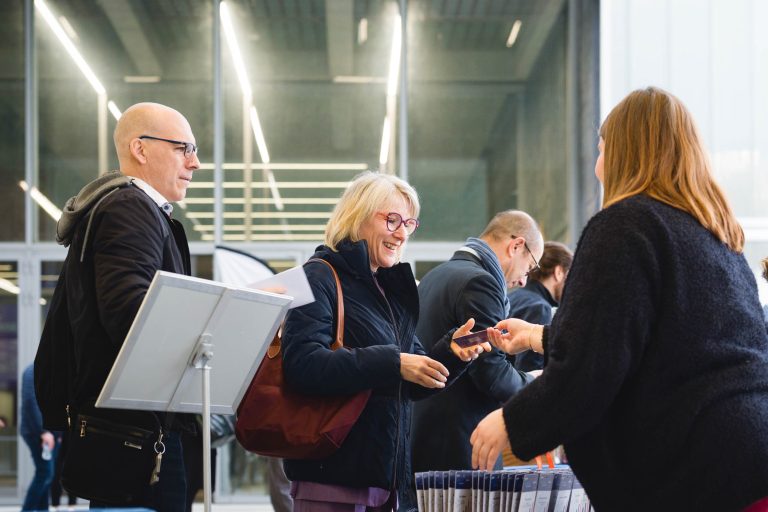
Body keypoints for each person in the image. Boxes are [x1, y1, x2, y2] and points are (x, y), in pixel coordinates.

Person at [470, 87, 768, 511]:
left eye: (601, 148)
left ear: (625, 152)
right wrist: (537, 337)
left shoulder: (625, 227)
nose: (597, 166)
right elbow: (658, 342)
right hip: (746, 458)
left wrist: (511, 423)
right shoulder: (720, 240)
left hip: (689, 474)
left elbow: (596, 362)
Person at [280, 171, 491, 511]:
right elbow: (302, 364)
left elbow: (414, 382)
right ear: (357, 217)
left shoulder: (389, 290)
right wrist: (394, 362)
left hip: (389, 483)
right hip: (333, 480)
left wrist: (452, 353)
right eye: (392, 220)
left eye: (409, 223)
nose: (402, 233)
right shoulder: (317, 274)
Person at [42, 102, 200, 511]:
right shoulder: (130, 208)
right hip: (135, 441)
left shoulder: (128, 210)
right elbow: (131, 313)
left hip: (129, 437)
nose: (195, 162)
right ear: (140, 149)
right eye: (184, 148)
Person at [409, 210, 543, 483]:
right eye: (528, 267)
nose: (523, 281)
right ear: (516, 245)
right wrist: (534, 383)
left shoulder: (436, 276)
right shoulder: (481, 283)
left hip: (421, 441)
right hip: (461, 449)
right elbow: (490, 373)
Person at [507, 241, 573, 372]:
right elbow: (530, 372)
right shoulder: (540, 308)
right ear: (559, 272)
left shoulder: (513, 297)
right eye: (571, 275)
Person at [20, 364, 55, 511]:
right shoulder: (33, 371)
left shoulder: (48, 370)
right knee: (45, 473)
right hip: (37, 433)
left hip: (49, 434)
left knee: (46, 477)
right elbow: (30, 401)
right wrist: (43, 432)